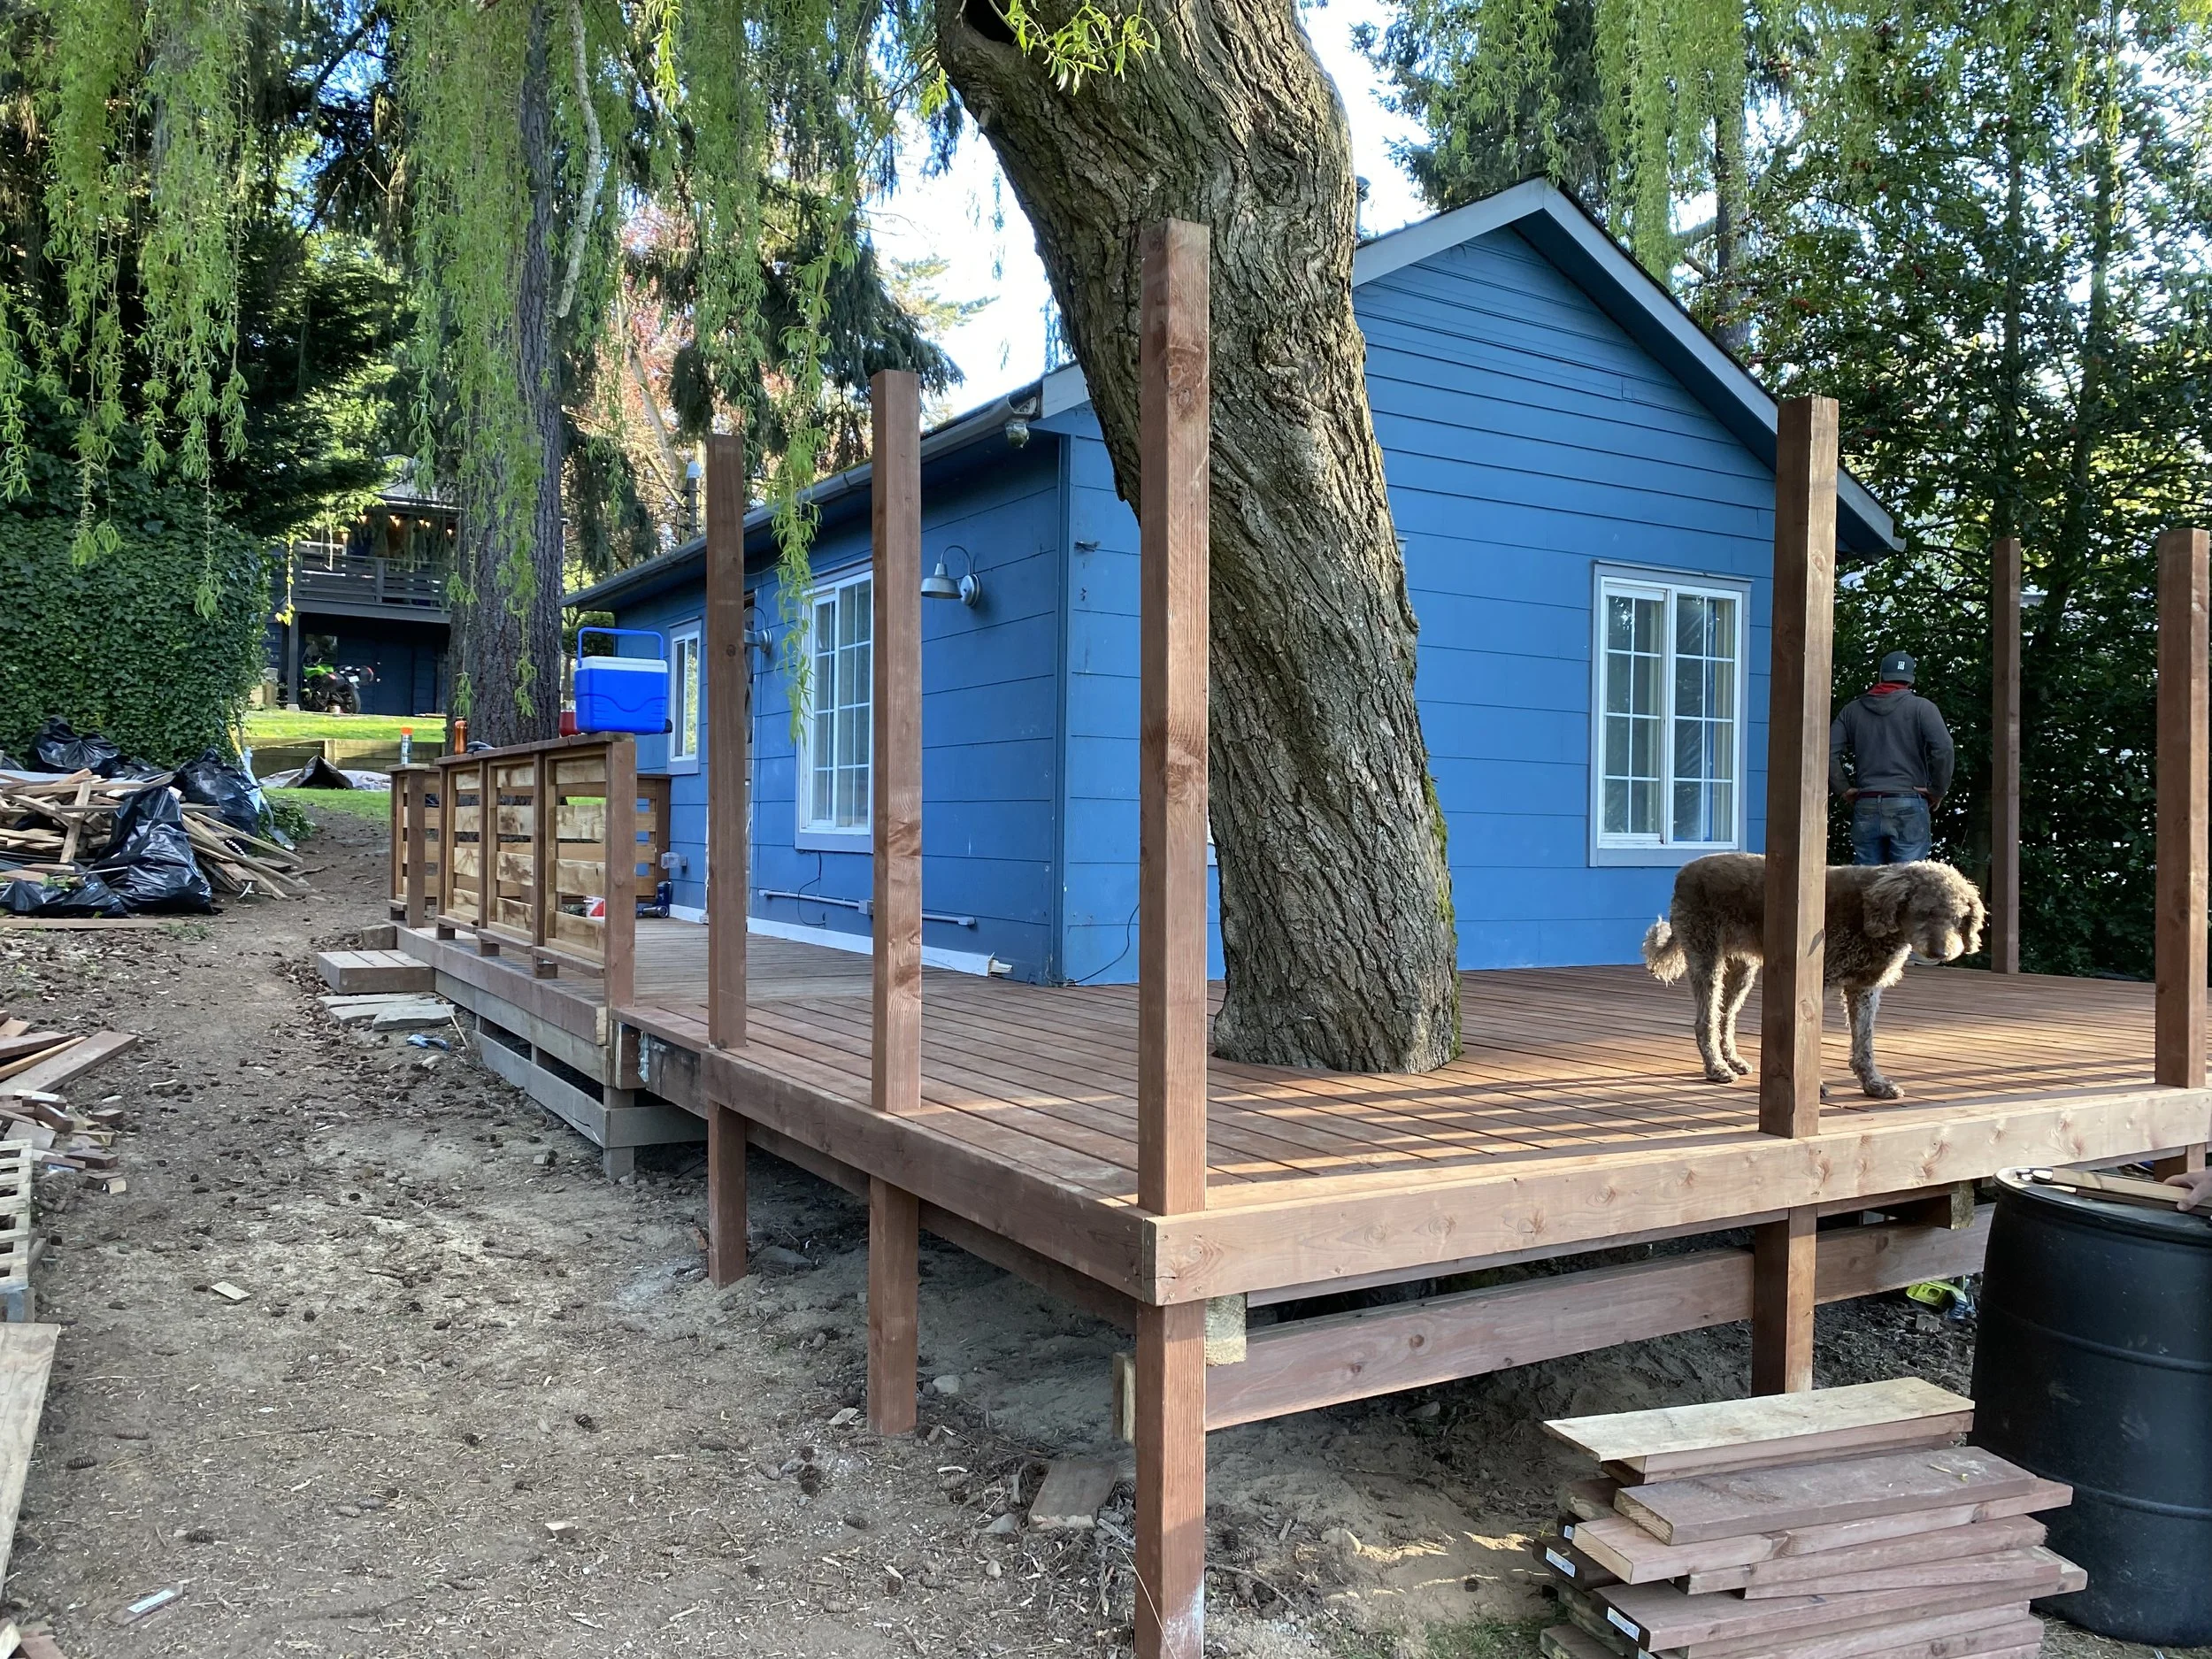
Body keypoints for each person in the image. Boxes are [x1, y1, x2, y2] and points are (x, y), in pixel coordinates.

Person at [1831, 649, 1955, 864]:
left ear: (1881, 676)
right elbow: (1944, 748)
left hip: (1867, 802)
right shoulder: (1922, 708)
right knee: (1904, 883)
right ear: (1911, 679)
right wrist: (1938, 790)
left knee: (1866, 883)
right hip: (1908, 802)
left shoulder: (1852, 711)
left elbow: (1828, 751)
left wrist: (1843, 788)